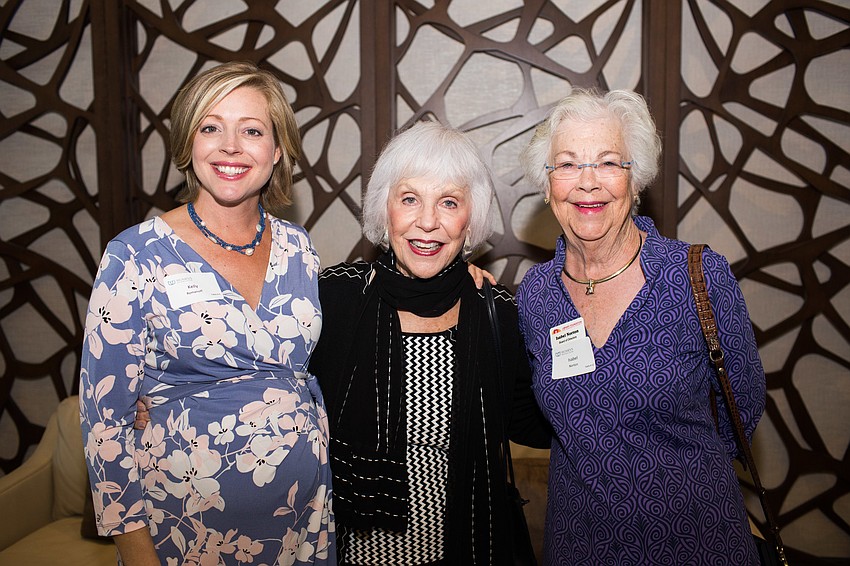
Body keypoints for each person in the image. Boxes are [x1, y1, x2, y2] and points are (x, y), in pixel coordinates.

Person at [79, 61, 335, 565]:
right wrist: (135, 553)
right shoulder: (136, 254)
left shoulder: (298, 248)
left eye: (252, 130)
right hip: (183, 530)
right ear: (188, 144)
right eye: (210, 127)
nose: (231, 146)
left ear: (277, 149)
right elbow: (104, 421)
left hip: (302, 528)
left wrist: (462, 275)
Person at [515, 88, 766, 565]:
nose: (587, 183)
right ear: (547, 187)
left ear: (635, 181)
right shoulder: (535, 295)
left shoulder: (696, 277)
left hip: (697, 540)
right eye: (567, 165)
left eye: (609, 163)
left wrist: (682, 474)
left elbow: (744, 407)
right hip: (580, 544)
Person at [308, 121, 551, 565]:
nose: (427, 222)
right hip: (354, 553)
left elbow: (537, 420)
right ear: (386, 210)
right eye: (409, 199)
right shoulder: (334, 299)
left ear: (470, 218)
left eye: (449, 202)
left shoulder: (495, 312)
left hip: (472, 547)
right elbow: (268, 381)